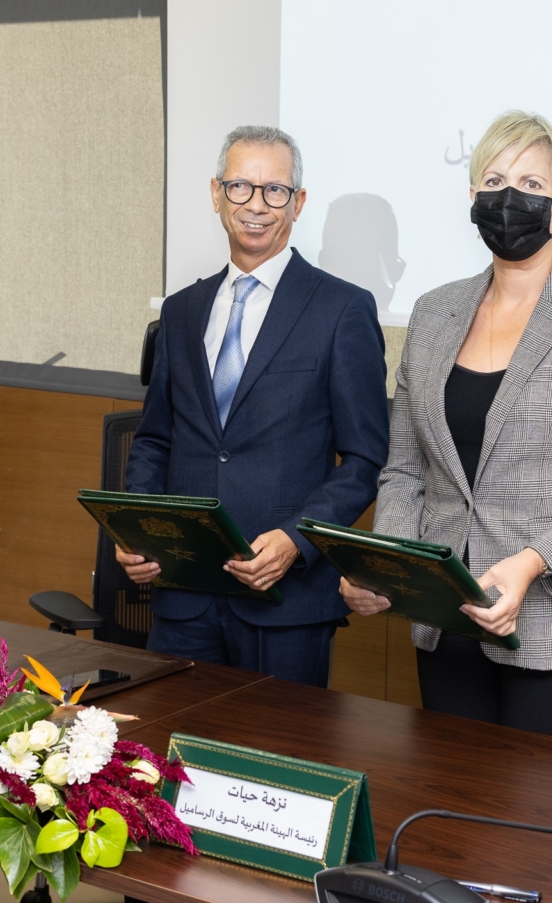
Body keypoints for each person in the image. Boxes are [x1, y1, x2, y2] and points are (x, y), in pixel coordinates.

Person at [341, 111, 552, 746]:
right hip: (451, 623)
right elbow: (407, 470)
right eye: (494, 182)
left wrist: (530, 564)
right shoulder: (434, 312)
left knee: (546, 814)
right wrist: (387, 566)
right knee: (456, 805)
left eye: (530, 184)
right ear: (473, 198)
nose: (509, 198)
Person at [120, 125, 389, 687]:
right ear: (216, 193)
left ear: (298, 202)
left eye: (275, 190)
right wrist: (142, 530)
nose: (257, 205)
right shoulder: (181, 311)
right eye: (240, 187)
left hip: (286, 601)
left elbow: (364, 460)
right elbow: (154, 440)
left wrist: (296, 539)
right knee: (169, 739)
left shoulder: (342, 309)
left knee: (278, 746)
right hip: (183, 597)